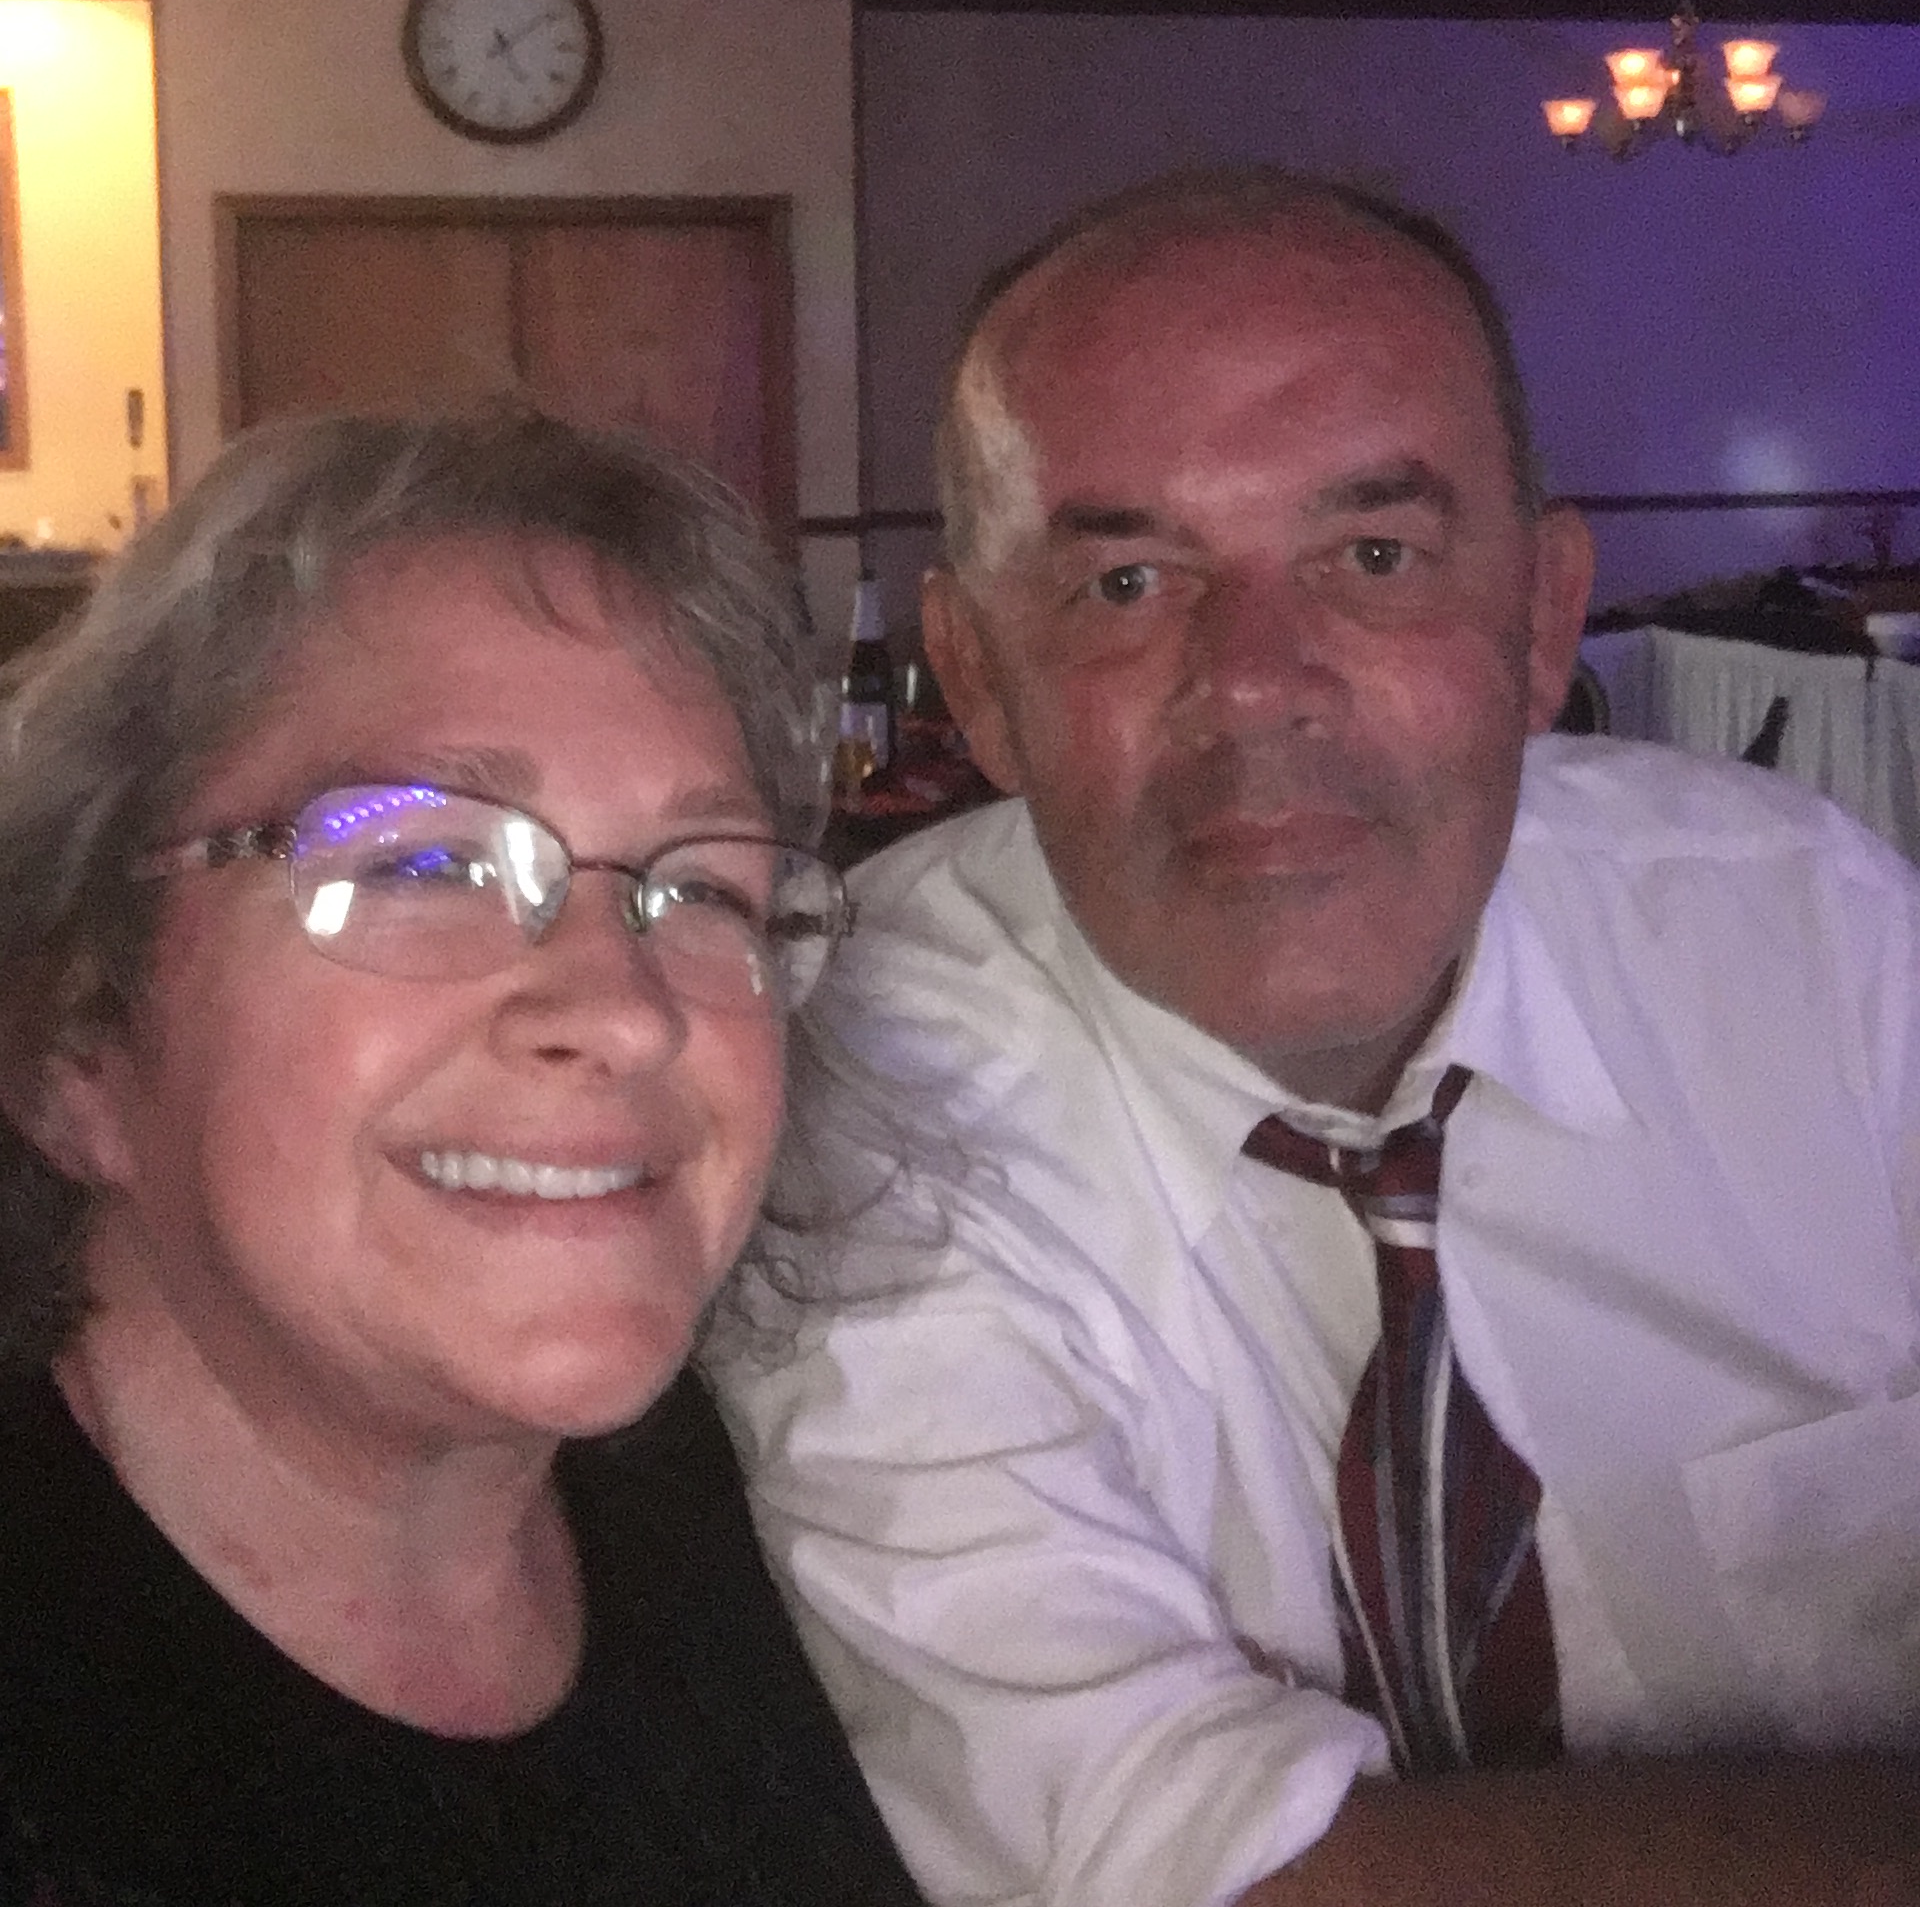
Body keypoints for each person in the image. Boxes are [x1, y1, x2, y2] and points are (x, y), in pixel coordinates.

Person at [712, 171, 1920, 1907]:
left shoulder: (1814, 939)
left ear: (1541, 622)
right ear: (974, 683)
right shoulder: (857, 1098)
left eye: (1373, 558)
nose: (1258, 680)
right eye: (1128, 579)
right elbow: (1189, 1872)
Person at [0, 406, 923, 1907]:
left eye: (702, 891)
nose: (621, 1012)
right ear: (80, 1038)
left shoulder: (731, 1491)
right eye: (425, 860)